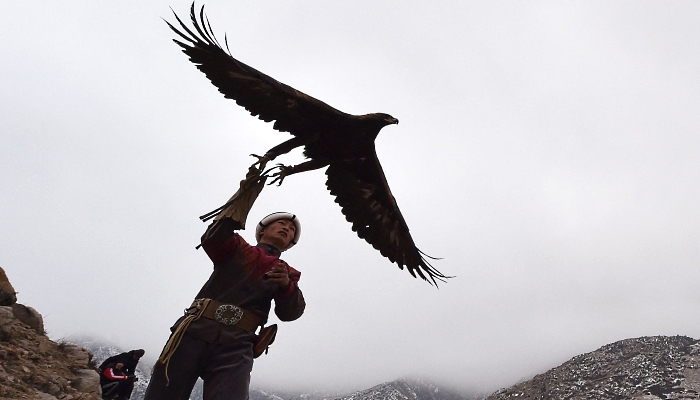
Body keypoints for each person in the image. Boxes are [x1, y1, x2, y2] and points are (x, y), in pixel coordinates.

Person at [144, 168, 306, 400]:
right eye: (280, 223)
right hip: (195, 330)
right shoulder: (237, 247)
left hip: (238, 345)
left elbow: (291, 313)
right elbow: (213, 237)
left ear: (290, 244)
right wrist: (243, 197)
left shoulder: (288, 273)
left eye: (291, 230)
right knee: (164, 394)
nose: (286, 228)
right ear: (262, 231)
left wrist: (287, 287)